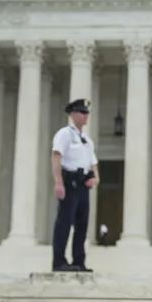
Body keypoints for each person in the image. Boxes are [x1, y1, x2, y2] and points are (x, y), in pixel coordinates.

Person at [51, 98, 100, 272]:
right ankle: (59, 261)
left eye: (87, 113)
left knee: (82, 224)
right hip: (69, 180)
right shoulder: (64, 134)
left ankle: (79, 261)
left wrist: (96, 177)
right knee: (64, 222)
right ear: (72, 114)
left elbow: (93, 161)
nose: (85, 116)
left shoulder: (86, 139)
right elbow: (56, 156)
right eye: (82, 112)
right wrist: (58, 182)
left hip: (83, 183)